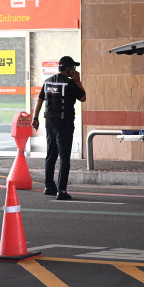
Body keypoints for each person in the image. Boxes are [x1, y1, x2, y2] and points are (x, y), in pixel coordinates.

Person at [31, 56, 86, 200]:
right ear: (68, 68)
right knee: (64, 157)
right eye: (73, 68)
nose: (74, 70)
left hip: (50, 123)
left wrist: (35, 118)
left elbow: (40, 100)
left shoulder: (47, 81)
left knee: (51, 154)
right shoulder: (70, 83)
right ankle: (61, 190)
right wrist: (78, 80)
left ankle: (49, 186)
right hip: (64, 124)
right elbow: (83, 97)